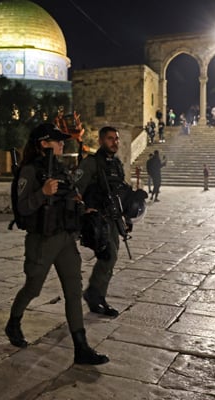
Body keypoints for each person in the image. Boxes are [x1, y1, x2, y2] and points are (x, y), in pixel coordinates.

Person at [4, 123, 109, 366]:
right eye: (57, 140)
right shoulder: (29, 171)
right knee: (33, 288)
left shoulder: (61, 170)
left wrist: (84, 208)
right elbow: (22, 207)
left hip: (65, 239)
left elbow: (70, 200)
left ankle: (81, 347)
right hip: (42, 240)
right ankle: (14, 321)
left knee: (73, 292)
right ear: (43, 143)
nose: (63, 143)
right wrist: (42, 192)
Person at [75, 126, 127, 317]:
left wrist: (127, 213)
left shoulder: (116, 164)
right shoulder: (91, 164)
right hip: (97, 220)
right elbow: (76, 190)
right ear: (101, 141)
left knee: (110, 259)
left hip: (113, 219)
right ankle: (94, 295)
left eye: (116, 139)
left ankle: (97, 296)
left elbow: (120, 191)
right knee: (108, 257)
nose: (115, 142)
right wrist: (84, 211)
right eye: (110, 139)